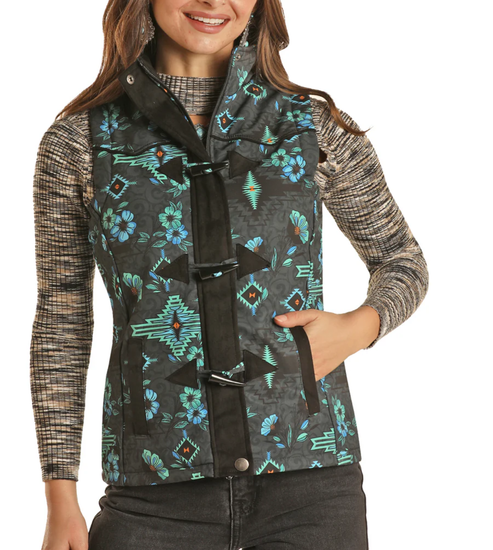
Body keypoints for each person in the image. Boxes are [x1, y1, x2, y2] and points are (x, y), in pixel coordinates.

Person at [30, 0, 429, 548]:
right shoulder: (81, 141)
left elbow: (401, 258)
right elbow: (62, 316)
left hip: (311, 488)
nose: (213, 1)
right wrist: (61, 498)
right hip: (153, 495)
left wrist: (359, 328)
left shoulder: (311, 126)